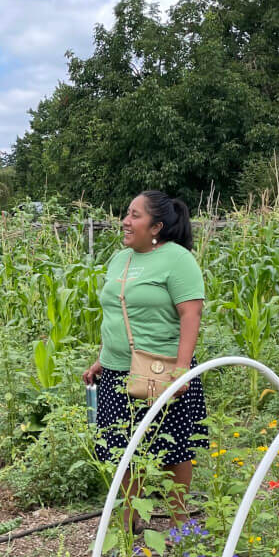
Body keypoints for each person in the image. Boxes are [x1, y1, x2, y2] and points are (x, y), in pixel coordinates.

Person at [83, 190, 206, 528]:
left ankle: (180, 524)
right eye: (127, 213)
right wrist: (103, 359)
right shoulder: (119, 260)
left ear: (156, 226)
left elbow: (191, 314)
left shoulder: (178, 260)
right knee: (122, 449)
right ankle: (129, 521)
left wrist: (181, 370)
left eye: (135, 215)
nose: (125, 221)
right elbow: (116, 314)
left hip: (160, 368)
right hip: (117, 372)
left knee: (173, 447)